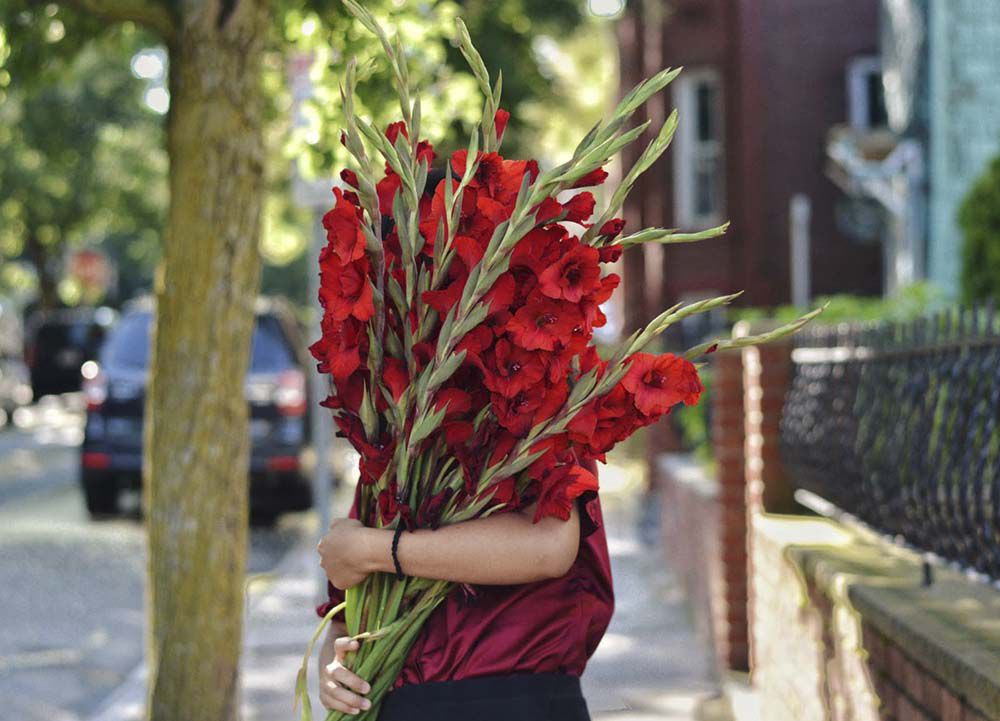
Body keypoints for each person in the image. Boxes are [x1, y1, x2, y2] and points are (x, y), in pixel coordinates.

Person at [314, 457, 613, 721]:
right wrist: (336, 669)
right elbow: (345, 607)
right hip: (393, 701)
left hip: (515, 693)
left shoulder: (544, 398)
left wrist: (375, 549)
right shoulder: (395, 420)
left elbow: (549, 546)